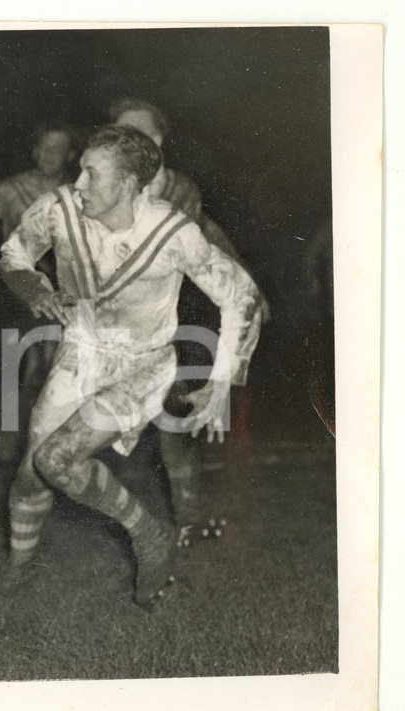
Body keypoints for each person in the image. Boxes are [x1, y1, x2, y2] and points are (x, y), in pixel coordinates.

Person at [0, 125, 262, 605]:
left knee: (56, 459)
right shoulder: (58, 210)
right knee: (32, 473)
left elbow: (241, 297)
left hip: (141, 370)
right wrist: (34, 288)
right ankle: (17, 575)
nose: (78, 183)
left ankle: (149, 532)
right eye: (80, 170)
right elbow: (14, 253)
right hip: (80, 355)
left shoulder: (173, 233)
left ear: (126, 185)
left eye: (91, 175)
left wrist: (222, 380)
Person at [109, 97, 269, 522]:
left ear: (160, 141)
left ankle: (186, 518)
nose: (133, 142)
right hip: (117, 326)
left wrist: (247, 286)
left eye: (143, 133)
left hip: (177, 321)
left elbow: (207, 236)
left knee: (175, 418)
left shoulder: (182, 190)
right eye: (123, 134)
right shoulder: (99, 187)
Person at [0, 121, 84, 462]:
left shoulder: (79, 193)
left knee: (53, 370)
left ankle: (44, 452)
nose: (49, 155)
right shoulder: (12, 189)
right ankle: (8, 450)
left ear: (70, 155)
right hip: (17, 293)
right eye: (44, 148)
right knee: (18, 368)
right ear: (34, 151)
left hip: (65, 296)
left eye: (58, 149)